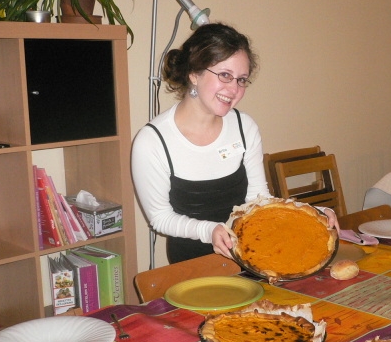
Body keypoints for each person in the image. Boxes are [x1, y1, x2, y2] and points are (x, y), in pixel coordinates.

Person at [131, 22, 337, 264]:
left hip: (251, 256)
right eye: (225, 75)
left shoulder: (244, 127)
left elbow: (258, 199)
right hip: (193, 266)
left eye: (241, 80)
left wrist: (314, 213)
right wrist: (209, 230)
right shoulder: (153, 141)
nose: (234, 89)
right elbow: (160, 218)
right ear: (194, 73)